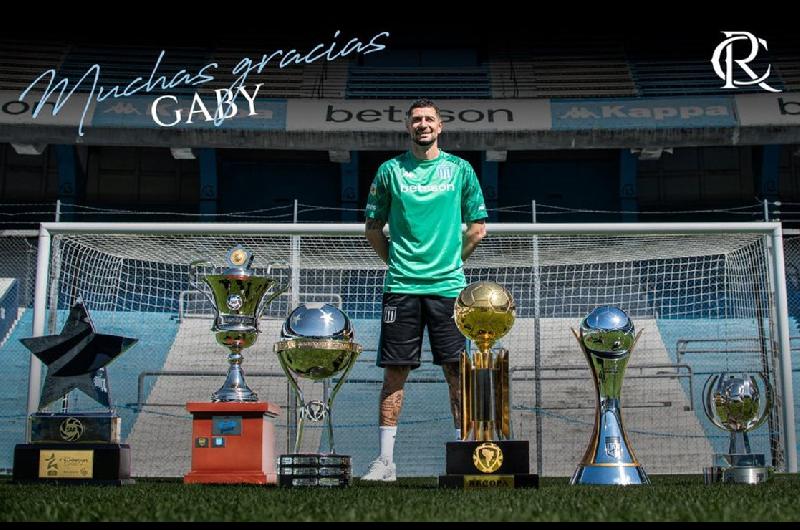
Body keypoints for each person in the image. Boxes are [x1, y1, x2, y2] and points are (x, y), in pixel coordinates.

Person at [361, 98, 488, 481]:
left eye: (429, 119)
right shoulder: (389, 171)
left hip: (449, 287)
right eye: (416, 119)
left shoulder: (460, 170)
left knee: (456, 371)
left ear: (441, 125)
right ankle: (385, 463)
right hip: (401, 287)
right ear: (407, 126)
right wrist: (399, 264)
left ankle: (466, 458)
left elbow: (478, 228)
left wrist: (451, 260)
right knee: (394, 373)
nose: (422, 125)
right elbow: (372, 228)